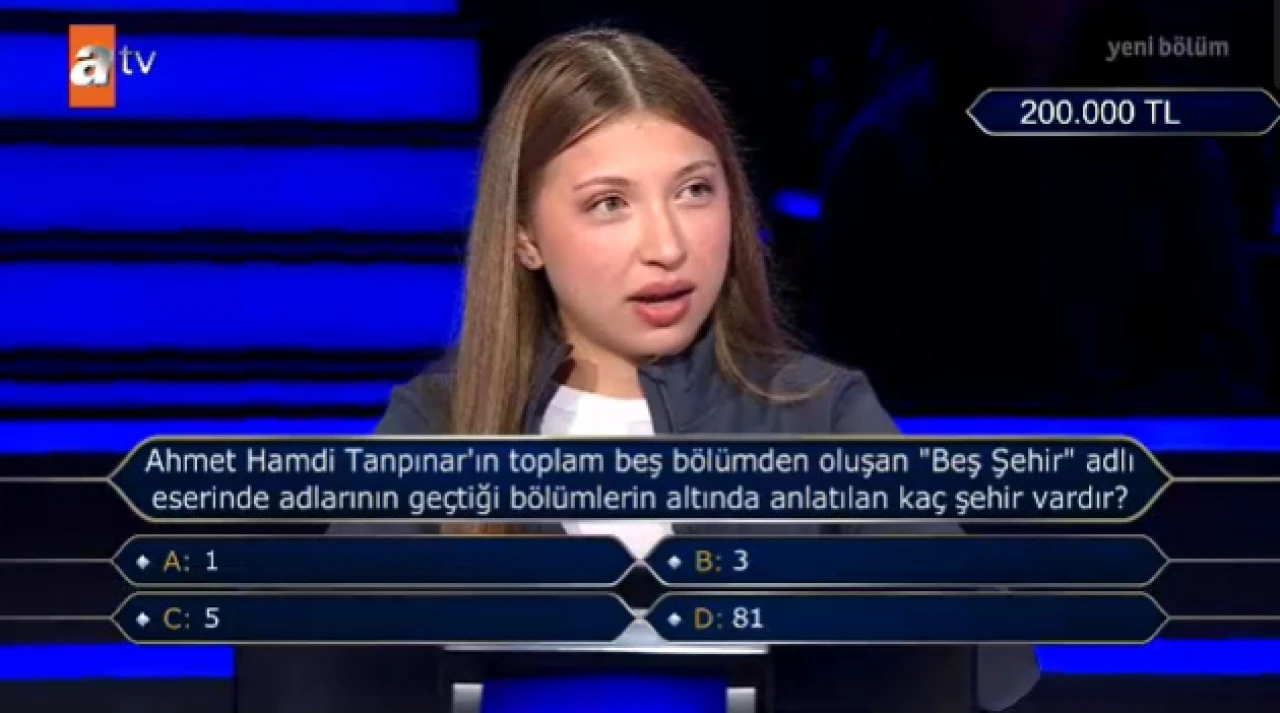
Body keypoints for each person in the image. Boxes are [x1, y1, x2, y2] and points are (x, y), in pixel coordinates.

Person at [237, 28, 1039, 713]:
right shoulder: (436, 427)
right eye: (609, 203)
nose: (667, 244)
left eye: (694, 190)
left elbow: (988, 660)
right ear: (524, 236)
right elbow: (309, 666)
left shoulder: (819, 412)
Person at [817, 0, 1266, 415]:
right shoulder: (884, 153)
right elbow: (856, 379)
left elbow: (1227, 361)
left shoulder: (1173, 147)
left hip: (1149, 462)